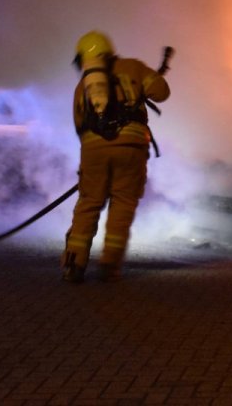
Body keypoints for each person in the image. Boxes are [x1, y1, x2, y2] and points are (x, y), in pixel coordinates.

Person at [61, 30, 170, 283]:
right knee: (122, 203)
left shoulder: (82, 87)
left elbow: (79, 125)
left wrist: (93, 159)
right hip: (131, 148)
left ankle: (73, 265)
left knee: (89, 204)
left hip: (93, 150)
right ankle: (109, 266)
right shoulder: (132, 67)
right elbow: (162, 93)